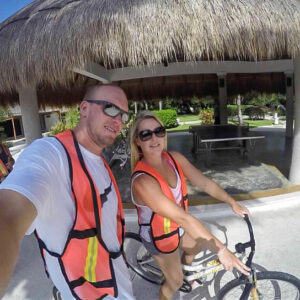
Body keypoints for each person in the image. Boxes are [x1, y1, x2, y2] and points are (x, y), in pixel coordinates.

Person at [0, 85, 135, 300]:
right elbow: (8, 214)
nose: (119, 120)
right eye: (110, 109)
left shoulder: (100, 161)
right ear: (84, 108)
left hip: (118, 282)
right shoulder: (51, 153)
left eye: (124, 115)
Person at [129, 111, 250, 300]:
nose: (154, 138)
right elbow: (183, 218)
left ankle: (188, 275)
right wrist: (222, 250)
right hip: (159, 237)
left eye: (159, 131)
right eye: (146, 134)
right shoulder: (142, 181)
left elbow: (204, 183)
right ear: (137, 141)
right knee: (174, 282)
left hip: (178, 227)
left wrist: (232, 202)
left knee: (194, 248)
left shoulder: (174, 158)